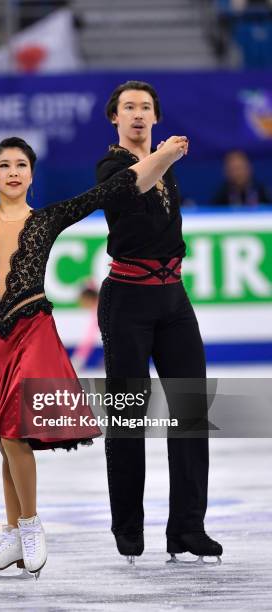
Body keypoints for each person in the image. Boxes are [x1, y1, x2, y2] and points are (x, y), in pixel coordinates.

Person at [0, 52, 188, 578]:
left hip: (31, 331)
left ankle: (31, 527)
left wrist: (158, 159)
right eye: (5, 166)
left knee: (16, 433)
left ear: (31, 175)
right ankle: (13, 535)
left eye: (22, 165)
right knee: (2, 436)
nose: (13, 171)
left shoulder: (47, 221)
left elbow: (108, 191)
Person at [96, 80, 223, 564]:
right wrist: (165, 156)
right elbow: (133, 187)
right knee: (129, 417)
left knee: (190, 412)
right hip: (126, 300)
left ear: (155, 116)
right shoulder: (111, 165)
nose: (137, 114)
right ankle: (128, 528)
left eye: (145, 107)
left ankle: (188, 527)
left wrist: (165, 158)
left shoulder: (166, 167)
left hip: (173, 300)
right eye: (128, 107)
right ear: (114, 118)